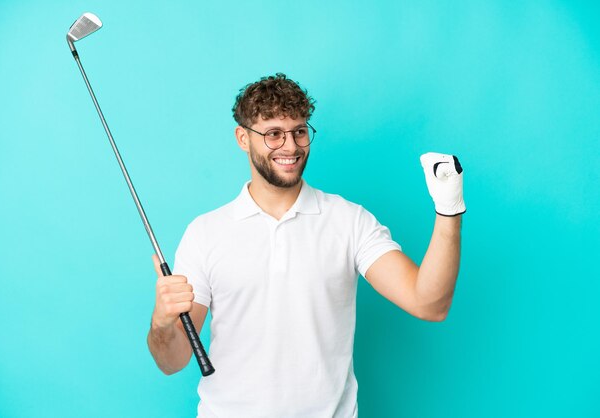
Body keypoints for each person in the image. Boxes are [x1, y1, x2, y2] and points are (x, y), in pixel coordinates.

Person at [147, 73, 465, 418]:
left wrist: (449, 209)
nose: (291, 146)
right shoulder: (205, 232)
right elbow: (172, 361)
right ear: (243, 138)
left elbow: (429, 304)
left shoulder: (349, 221)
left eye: (299, 131)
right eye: (273, 134)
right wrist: (161, 323)